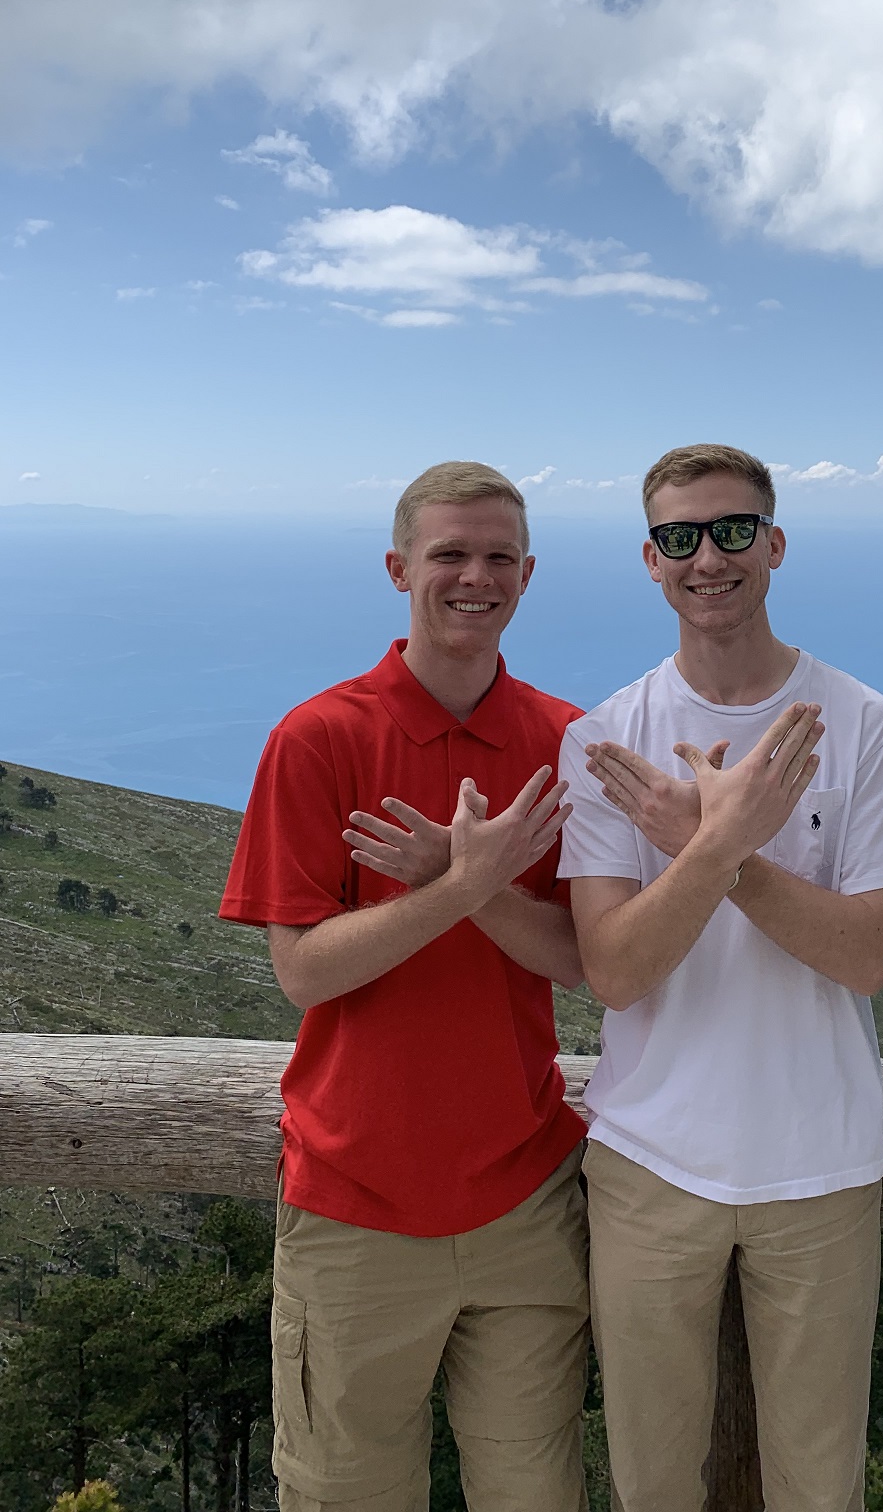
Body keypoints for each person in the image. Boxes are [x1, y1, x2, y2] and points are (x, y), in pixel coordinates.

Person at [555, 442, 883, 1512]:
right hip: (650, 1162)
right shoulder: (610, 739)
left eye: (730, 532)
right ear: (651, 559)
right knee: (653, 1483)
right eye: (680, 538)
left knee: (820, 1487)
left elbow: (867, 956)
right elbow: (614, 971)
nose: (706, 558)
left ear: (774, 544)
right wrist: (718, 846)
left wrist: (716, 851)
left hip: (821, 1166)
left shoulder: (858, 723)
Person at [219, 461, 591, 1512]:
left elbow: (580, 958)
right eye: (450, 555)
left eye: (499, 557)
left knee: (537, 1493)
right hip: (356, 1208)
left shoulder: (563, 741)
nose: (477, 577)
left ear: (528, 574)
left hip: (525, 1200)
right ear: (398, 569)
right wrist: (460, 885)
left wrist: (471, 887)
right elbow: (303, 971)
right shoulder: (320, 737)